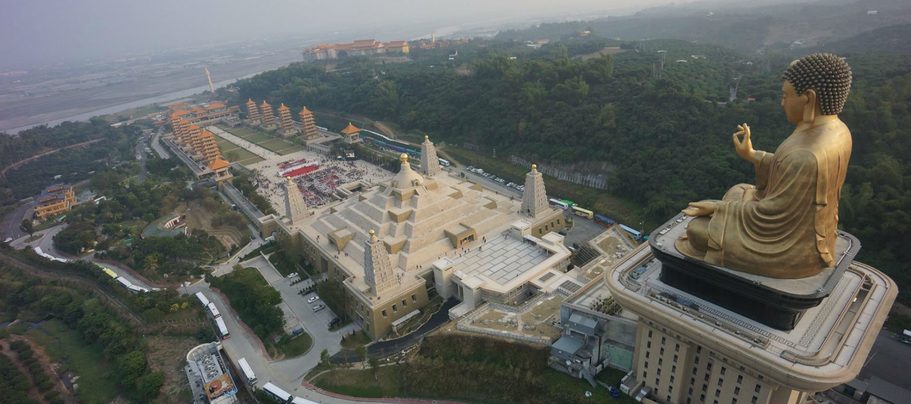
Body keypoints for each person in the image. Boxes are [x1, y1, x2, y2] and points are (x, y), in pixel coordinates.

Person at [677, 53, 853, 279]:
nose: (782, 102)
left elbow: (772, 214)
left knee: (696, 231)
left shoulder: (807, 154)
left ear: (808, 98)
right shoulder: (838, 130)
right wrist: (752, 155)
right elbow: (788, 171)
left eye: (786, 96)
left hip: (791, 248)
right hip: (812, 232)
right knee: (739, 189)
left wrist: (719, 208)